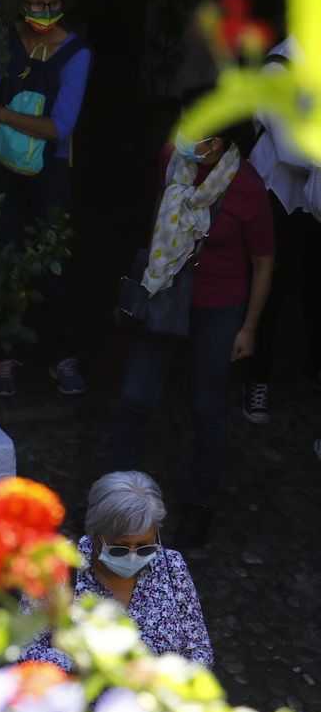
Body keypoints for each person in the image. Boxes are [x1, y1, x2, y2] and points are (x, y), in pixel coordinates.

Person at [110, 112, 274, 549]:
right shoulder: (172, 156)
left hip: (218, 306)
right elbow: (158, 212)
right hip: (165, 291)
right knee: (136, 397)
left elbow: (262, 263)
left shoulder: (247, 188)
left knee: (207, 407)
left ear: (218, 144)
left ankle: (200, 504)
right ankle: (114, 499)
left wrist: (249, 328)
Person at [0, 0, 92, 397]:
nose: (42, 14)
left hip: (51, 170)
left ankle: (62, 356)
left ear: (64, 3)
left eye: (51, 4)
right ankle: (3, 355)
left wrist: (2, 115)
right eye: (34, 4)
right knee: (2, 254)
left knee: (53, 260)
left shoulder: (78, 54)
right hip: (0, 166)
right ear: (18, 3)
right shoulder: (0, 41)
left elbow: (61, 127)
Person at [21, 471, 213, 669]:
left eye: (144, 547)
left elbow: (199, 650)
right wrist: (82, 668)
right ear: (95, 534)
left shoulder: (172, 566)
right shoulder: (56, 569)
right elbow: (24, 649)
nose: (132, 555)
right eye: (120, 548)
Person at [242, 35, 321, 423]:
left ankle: (312, 368)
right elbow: (290, 149)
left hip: (313, 199)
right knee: (270, 289)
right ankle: (256, 381)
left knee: (315, 287)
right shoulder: (279, 66)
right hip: (277, 195)